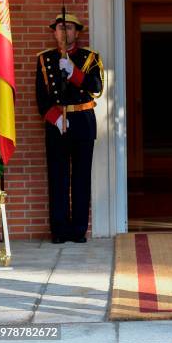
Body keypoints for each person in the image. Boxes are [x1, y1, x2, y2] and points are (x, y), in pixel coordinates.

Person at [36, 13, 103, 244]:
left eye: (69, 27)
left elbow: (96, 87)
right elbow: (41, 97)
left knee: (81, 178)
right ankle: (60, 230)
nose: (64, 32)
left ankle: (78, 231)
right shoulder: (44, 59)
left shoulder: (89, 57)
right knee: (58, 178)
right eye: (60, 28)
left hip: (83, 122)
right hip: (57, 126)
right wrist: (56, 118)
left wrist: (74, 72)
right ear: (54, 32)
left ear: (77, 32)